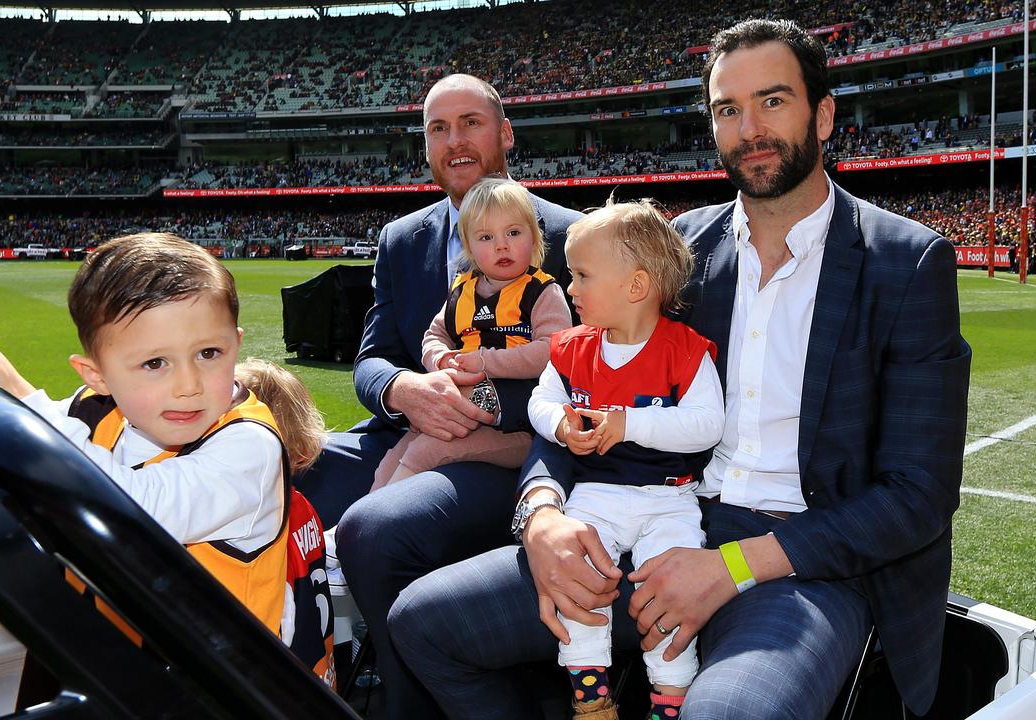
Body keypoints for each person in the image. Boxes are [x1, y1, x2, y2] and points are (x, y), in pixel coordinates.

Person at [387, 18, 971, 720]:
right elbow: (574, 388)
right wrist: (540, 512)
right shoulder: (676, 250)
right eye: (729, 109)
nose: (749, 127)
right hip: (655, 521)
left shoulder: (907, 263)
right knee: (422, 623)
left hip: (806, 566)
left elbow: (917, 494)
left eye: (772, 101)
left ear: (823, 113)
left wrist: (732, 565)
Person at [290, 73, 581, 718]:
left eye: (471, 123)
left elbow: (591, 367)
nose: (455, 142)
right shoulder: (401, 240)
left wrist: (480, 393)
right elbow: (371, 359)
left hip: (508, 448)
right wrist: (403, 387)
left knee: (374, 528)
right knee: (282, 473)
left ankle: (405, 702)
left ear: (505, 134)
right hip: (407, 430)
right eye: (438, 129)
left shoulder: (571, 237)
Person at [0, 233, 313, 639]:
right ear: (97, 376)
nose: (188, 385)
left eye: (208, 354)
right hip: (126, 654)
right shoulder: (95, 409)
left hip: (227, 683)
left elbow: (128, 508)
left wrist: (19, 393)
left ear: (235, 345)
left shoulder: (249, 448)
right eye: (154, 363)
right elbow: (46, 441)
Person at [527, 200, 724, 720]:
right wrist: (562, 425)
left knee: (667, 598)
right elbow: (540, 403)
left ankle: (669, 702)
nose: (570, 289)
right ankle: (591, 700)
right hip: (595, 495)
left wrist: (629, 422)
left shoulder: (685, 351)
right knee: (581, 580)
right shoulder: (571, 349)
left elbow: (707, 423)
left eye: (582, 275)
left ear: (636, 287)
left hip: (671, 499)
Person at [371, 177, 573, 489]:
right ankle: (351, 529)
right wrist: (441, 360)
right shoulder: (462, 290)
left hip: (520, 428)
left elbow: (552, 351)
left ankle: (376, 523)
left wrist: (483, 362)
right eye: (486, 237)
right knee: (395, 454)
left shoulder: (542, 291)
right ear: (469, 247)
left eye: (514, 232)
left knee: (425, 450)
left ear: (534, 239)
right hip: (462, 407)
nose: (501, 245)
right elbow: (433, 335)